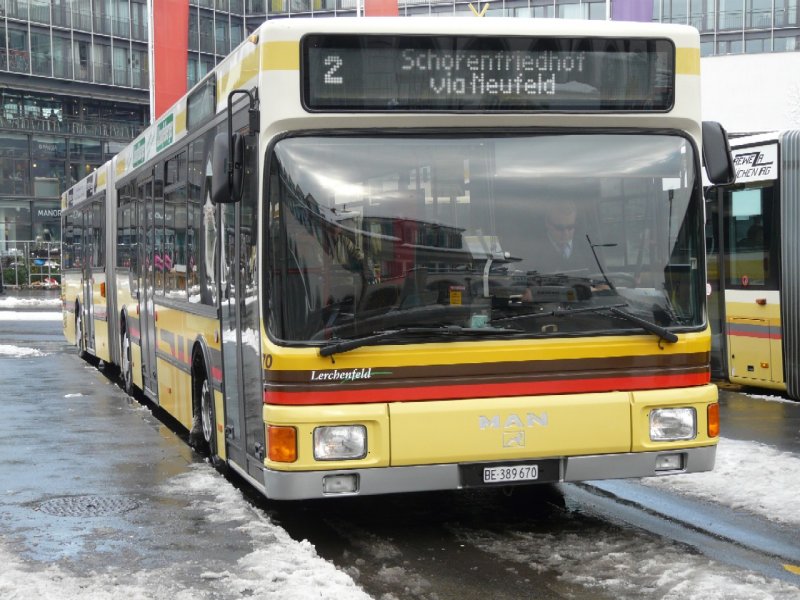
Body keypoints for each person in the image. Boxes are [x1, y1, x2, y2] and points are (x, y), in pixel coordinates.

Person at [529, 200, 597, 275]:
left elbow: (603, 280)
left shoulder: (589, 247)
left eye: (570, 227)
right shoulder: (531, 250)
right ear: (547, 223)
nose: (566, 233)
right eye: (560, 228)